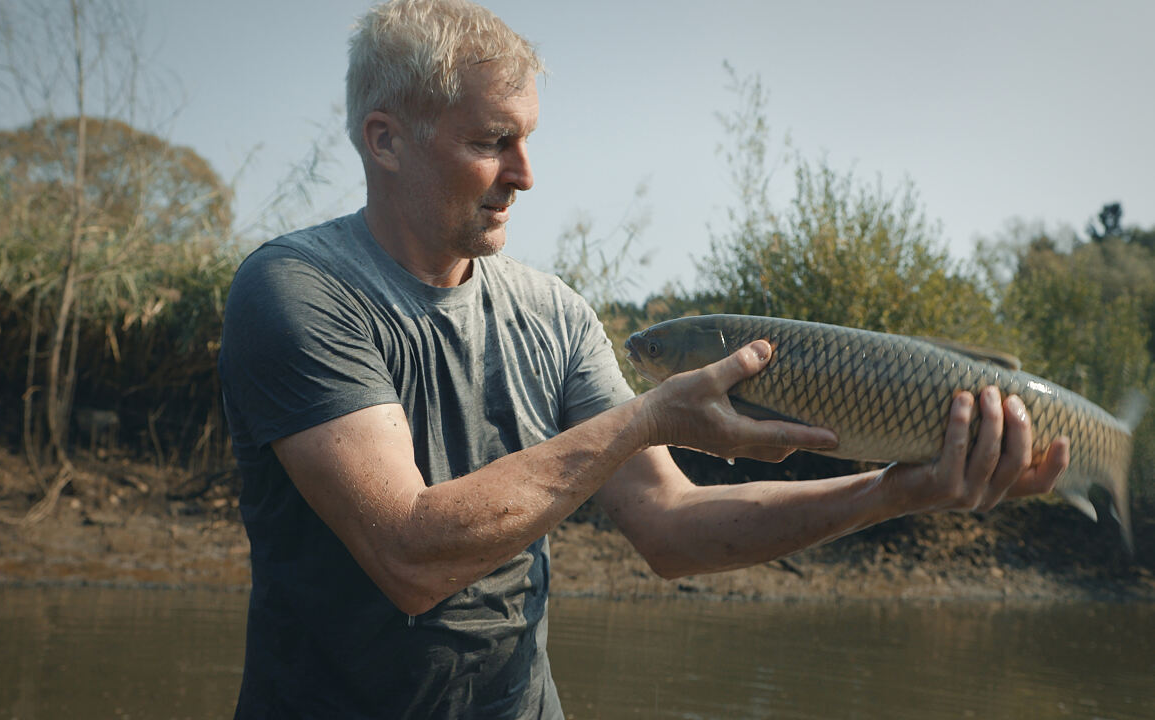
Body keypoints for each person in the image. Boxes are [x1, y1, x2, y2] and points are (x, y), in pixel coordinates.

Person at [217, 0, 1071, 717]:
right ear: (386, 140)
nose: (526, 173)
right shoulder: (297, 290)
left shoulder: (553, 313)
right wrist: (646, 418)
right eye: (492, 141)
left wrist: (899, 489)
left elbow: (671, 526)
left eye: (529, 138)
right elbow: (410, 556)